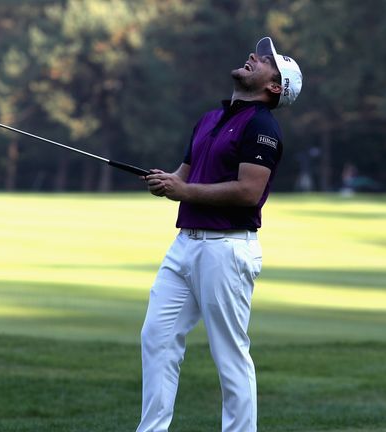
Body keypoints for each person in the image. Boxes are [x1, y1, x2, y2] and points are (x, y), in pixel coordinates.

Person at [136, 37, 303, 432]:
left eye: (264, 61)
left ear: (274, 87)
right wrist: (166, 182)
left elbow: (249, 192)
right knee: (157, 339)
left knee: (229, 355)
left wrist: (185, 191)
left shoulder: (263, 126)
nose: (252, 57)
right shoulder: (210, 119)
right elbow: (184, 175)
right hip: (185, 246)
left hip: (226, 249)